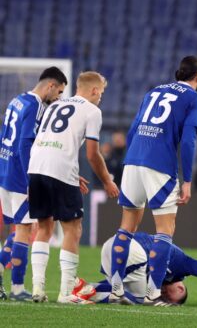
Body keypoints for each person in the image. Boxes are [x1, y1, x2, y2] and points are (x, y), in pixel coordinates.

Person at [109, 56, 197, 307]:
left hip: (133, 161)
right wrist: (187, 180)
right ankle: (153, 292)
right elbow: (187, 141)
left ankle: (116, 288)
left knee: (127, 226)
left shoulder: (153, 91)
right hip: (160, 164)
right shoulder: (195, 99)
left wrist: (132, 160)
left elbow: (133, 129)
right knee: (165, 229)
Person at [28, 71, 120, 304]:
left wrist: (70, 170)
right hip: (59, 169)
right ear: (95, 91)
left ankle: (37, 289)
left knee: (43, 227)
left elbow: (49, 140)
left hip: (37, 166)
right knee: (73, 229)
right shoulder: (92, 111)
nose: (101, 97)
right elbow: (92, 154)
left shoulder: (54, 106)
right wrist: (107, 181)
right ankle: (66, 292)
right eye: (102, 93)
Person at [0, 67, 68, 301]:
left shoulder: (17, 100)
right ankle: (18, 288)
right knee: (25, 230)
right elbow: (24, 144)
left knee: (18, 228)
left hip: (4, 171)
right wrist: (32, 179)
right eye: (58, 92)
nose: (58, 98)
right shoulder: (35, 106)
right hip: (20, 177)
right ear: (50, 85)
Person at [86, 231, 197, 306]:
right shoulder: (181, 262)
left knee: (121, 290)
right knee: (139, 299)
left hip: (113, 245)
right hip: (134, 250)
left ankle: (85, 287)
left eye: (165, 298)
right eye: (168, 296)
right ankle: (93, 295)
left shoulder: (154, 279)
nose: (163, 295)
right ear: (180, 288)